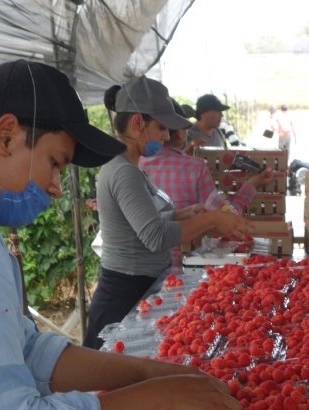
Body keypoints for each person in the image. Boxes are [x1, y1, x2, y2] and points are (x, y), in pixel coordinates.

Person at [0, 60, 243, 410]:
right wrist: (158, 396)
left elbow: (27, 352)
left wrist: (144, 372)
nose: (56, 188)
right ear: (6, 136)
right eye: (55, 163)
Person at [83, 77, 252, 350]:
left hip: (138, 285)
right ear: (138, 123)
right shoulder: (123, 172)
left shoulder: (131, 168)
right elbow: (154, 237)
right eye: (161, 128)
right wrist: (211, 218)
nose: (166, 136)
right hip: (124, 294)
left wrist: (183, 214)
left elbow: (143, 224)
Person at [140, 99, 273, 262]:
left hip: (146, 264)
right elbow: (228, 216)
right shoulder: (195, 167)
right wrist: (252, 185)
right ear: (181, 132)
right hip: (185, 263)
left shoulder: (138, 165)